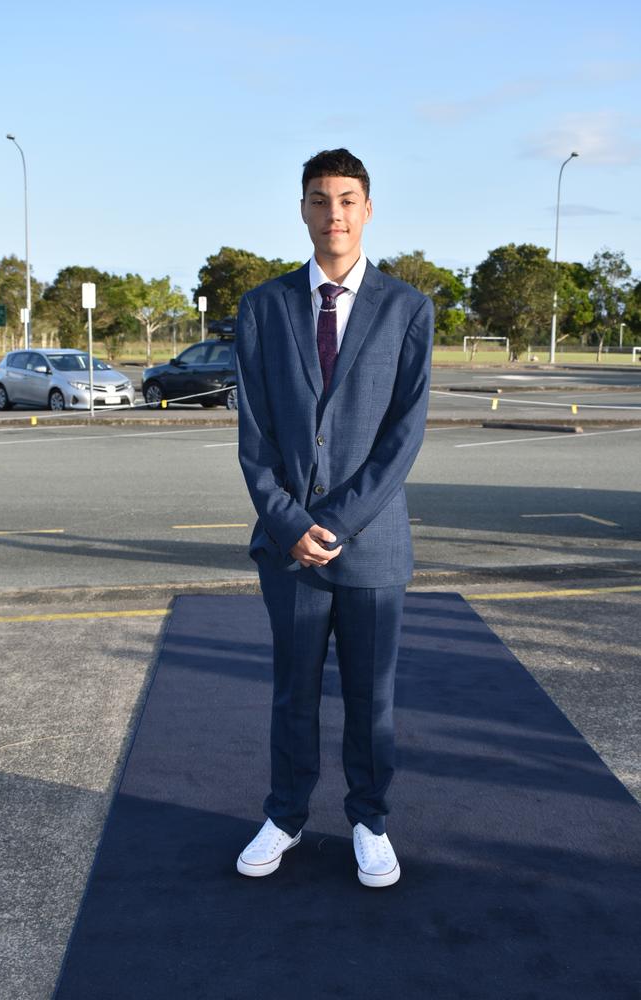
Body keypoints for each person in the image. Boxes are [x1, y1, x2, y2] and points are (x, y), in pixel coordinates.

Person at [235, 148, 433, 887]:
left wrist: (338, 524)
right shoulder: (263, 307)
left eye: (347, 199)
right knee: (293, 693)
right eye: (320, 199)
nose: (334, 213)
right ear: (303, 210)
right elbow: (254, 439)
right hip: (289, 548)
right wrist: (291, 523)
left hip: (373, 547)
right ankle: (286, 814)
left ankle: (369, 820)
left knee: (369, 700)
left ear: (368, 209)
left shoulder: (408, 308)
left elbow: (402, 437)